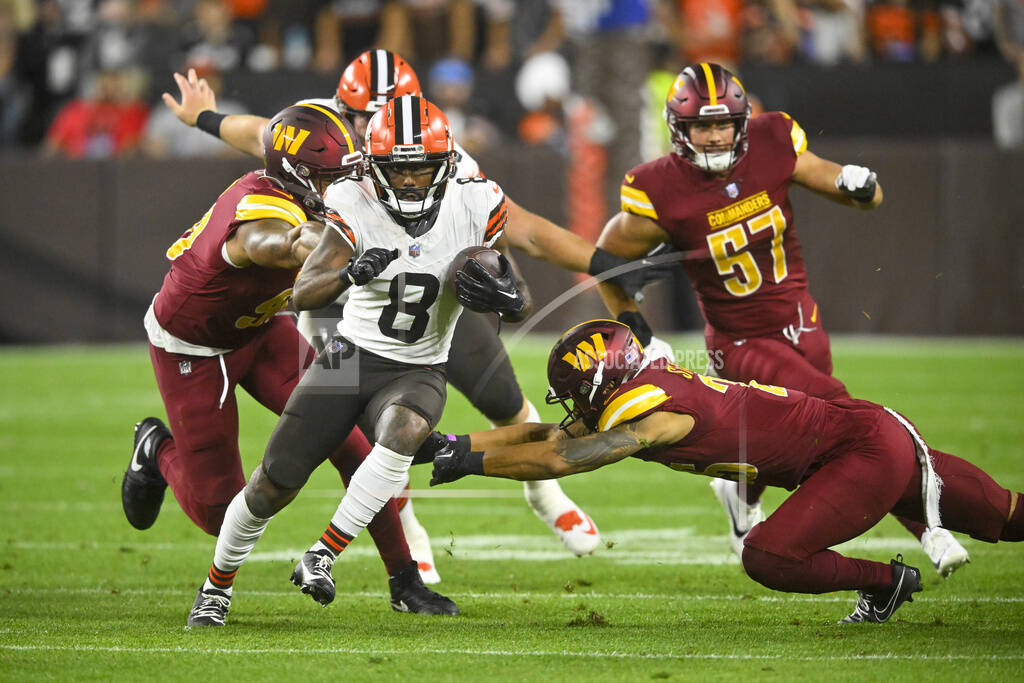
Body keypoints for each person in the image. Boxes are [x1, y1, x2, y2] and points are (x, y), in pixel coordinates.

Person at [160, 49, 669, 578]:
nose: (368, 125)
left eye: (386, 111)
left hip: (434, 295)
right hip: (342, 309)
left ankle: (545, 494)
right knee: (362, 437)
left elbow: (525, 230)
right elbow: (261, 136)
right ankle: (408, 541)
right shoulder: (326, 138)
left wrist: (598, 262)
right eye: (358, 114)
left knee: (501, 396)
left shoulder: (436, 155)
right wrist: (205, 118)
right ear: (341, 109)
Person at [593, 61, 970, 577]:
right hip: (740, 339)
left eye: (724, 122)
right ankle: (929, 526)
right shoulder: (657, 187)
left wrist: (861, 185)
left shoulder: (774, 141)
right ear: (679, 132)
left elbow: (862, 196)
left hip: (802, 320)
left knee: (780, 442)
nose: (715, 134)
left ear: (744, 120)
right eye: (702, 126)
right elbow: (606, 262)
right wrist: (631, 320)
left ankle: (738, 490)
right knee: (851, 422)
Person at [424, 319, 1024, 623]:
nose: (573, 405)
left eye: (577, 392)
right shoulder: (641, 387)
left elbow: (563, 456)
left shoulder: (655, 413)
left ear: (603, 384)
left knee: (767, 555)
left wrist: (472, 463)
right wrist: (449, 442)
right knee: (1007, 514)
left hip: (860, 454)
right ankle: (886, 582)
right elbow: (550, 434)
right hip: (866, 437)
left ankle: (883, 582)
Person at [185, 95, 522, 627]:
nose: (410, 180)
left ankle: (322, 554)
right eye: (398, 167)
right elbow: (303, 293)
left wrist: (500, 293)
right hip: (348, 356)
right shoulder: (351, 197)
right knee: (273, 482)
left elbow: (516, 292)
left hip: (419, 366)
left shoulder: (480, 203)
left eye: (421, 166)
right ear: (376, 166)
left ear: (446, 163)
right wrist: (348, 273)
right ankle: (215, 587)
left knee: (405, 428)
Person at [123, 102, 455, 620]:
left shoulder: (313, 175)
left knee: (356, 446)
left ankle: (405, 581)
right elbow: (277, 241)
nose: (345, 185)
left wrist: (206, 116)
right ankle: (156, 448)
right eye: (330, 177)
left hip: (265, 327)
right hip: (195, 345)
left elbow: (258, 131)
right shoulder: (264, 208)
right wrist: (335, 249)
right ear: (300, 176)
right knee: (220, 511)